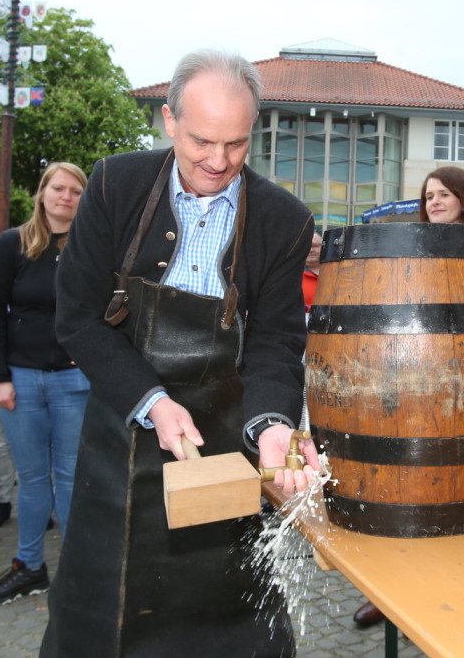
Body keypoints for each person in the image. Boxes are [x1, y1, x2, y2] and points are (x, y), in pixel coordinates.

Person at [41, 51, 319, 657]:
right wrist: (153, 401)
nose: (218, 161)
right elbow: (78, 318)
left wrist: (273, 424)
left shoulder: (285, 220)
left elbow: (275, 342)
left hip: (225, 442)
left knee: (228, 617)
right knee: (103, 620)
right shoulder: (114, 185)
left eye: (236, 144)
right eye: (201, 141)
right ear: (169, 120)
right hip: (123, 432)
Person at [352, 166, 464, 629]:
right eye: (429, 196)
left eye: (444, 194)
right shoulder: (410, 246)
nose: (434, 202)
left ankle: (451, 596)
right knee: (400, 486)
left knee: (458, 489)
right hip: (409, 367)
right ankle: (389, 593)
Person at [0, 162, 90, 607]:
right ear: (42, 193)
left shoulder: (92, 246)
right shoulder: (13, 244)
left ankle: (77, 571)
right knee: (32, 478)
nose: (66, 196)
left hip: (74, 382)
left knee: (70, 477)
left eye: (76, 191)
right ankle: (29, 566)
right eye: (58, 188)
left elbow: (110, 308)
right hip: (20, 381)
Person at [302, 231, 321, 312]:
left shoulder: (334, 273)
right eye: (306, 246)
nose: (310, 250)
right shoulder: (292, 276)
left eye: (314, 246)